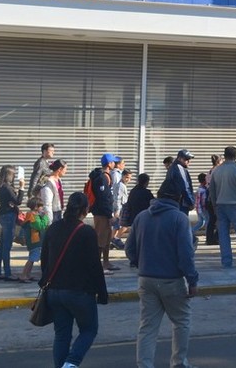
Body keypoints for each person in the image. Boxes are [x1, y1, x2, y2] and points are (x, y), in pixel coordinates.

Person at [126, 182, 199, 368]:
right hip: (171, 279)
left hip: (146, 278)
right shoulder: (179, 219)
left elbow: (129, 249)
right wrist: (192, 280)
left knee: (147, 327)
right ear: (178, 198)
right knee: (181, 321)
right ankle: (178, 362)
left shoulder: (142, 217)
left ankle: (145, 365)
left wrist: (139, 262)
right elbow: (185, 254)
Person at [41, 192, 108, 368]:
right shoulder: (86, 232)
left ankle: (62, 365)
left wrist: (46, 281)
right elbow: (95, 265)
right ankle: (71, 363)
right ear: (85, 210)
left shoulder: (53, 228)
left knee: (62, 335)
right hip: (79, 291)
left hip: (55, 290)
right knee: (89, 330)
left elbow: (44, 260)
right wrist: (102, 293)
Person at [88, 153, 120, 273]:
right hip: (101, 213)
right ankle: (97, 265)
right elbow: (103, 198)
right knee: (100, 240)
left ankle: (106, 263)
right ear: (109, 163)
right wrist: (109, 215)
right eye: (113, 162)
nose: (114, 164)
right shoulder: (102, 178)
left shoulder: (106, 176)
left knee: (106, 240)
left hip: (105, 212)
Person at [0, 164, 24, 282]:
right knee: (7, 245)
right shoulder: (7, 188)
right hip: (8, 216)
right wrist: (22, 188)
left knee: (2, 245)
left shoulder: (3, 187)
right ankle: (7, 273)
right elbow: (18, 201)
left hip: (4, 215)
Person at [18, 196, 49, 283]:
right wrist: (45, 217)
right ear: (36, 207)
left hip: (34, 241)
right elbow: (40, 226)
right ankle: (24, 275)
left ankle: (27, 274)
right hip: (35, 241)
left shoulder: (32, 216)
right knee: (32, 259)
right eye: (41, 206)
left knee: (33, 258)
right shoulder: (33, 217)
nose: (42, 208)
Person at [42, 159, 67, 225]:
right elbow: (47, 204)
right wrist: (49, 221)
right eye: (65, 169)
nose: (66, 171)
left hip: (58, 211)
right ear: (60, 169)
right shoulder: (48, 183)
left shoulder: (58, 180)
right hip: (52, 213)